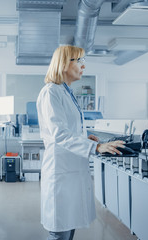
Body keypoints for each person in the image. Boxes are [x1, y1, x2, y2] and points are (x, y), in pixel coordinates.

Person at [36, 45, 125, 240]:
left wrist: (85, 139)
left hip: (71, 170)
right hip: (60, 171)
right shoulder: (51, 92)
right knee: (60, 232)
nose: (83, 66)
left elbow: (67, 130)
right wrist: (96, 147)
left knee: (68, 228)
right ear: (64, 64)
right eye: (79, 61)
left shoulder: (65, 91)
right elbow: (59, 134)